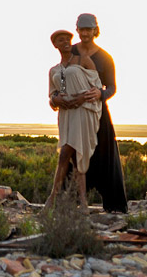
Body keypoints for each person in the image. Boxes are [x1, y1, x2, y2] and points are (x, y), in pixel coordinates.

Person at [51, 13, 127, 212]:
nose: (85, 33)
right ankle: (66, 203)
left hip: (97, 112)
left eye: (89, 29)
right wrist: (54, 98)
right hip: (72, 113)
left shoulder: (104, 57)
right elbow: (60, 76)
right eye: (82, 29)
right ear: (77, 30)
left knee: (105, 155)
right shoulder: (70, 50)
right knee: (69, 156)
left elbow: (112, 87)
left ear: (95, 30)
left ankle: (114, 206)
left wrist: (100, 93)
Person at [45, 29, 102, 209]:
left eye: (68, 39)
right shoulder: (53, 70)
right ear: (55, 45)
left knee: (70, 153)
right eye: (61, 40)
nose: (66, 42)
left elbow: (97, 87)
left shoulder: (83, 61)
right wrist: (56, 99)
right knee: (70, 155)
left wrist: (82, 98)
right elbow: (51, 95)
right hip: (66, 114)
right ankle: (77, 203)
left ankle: (56, 200)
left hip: (82, 111)